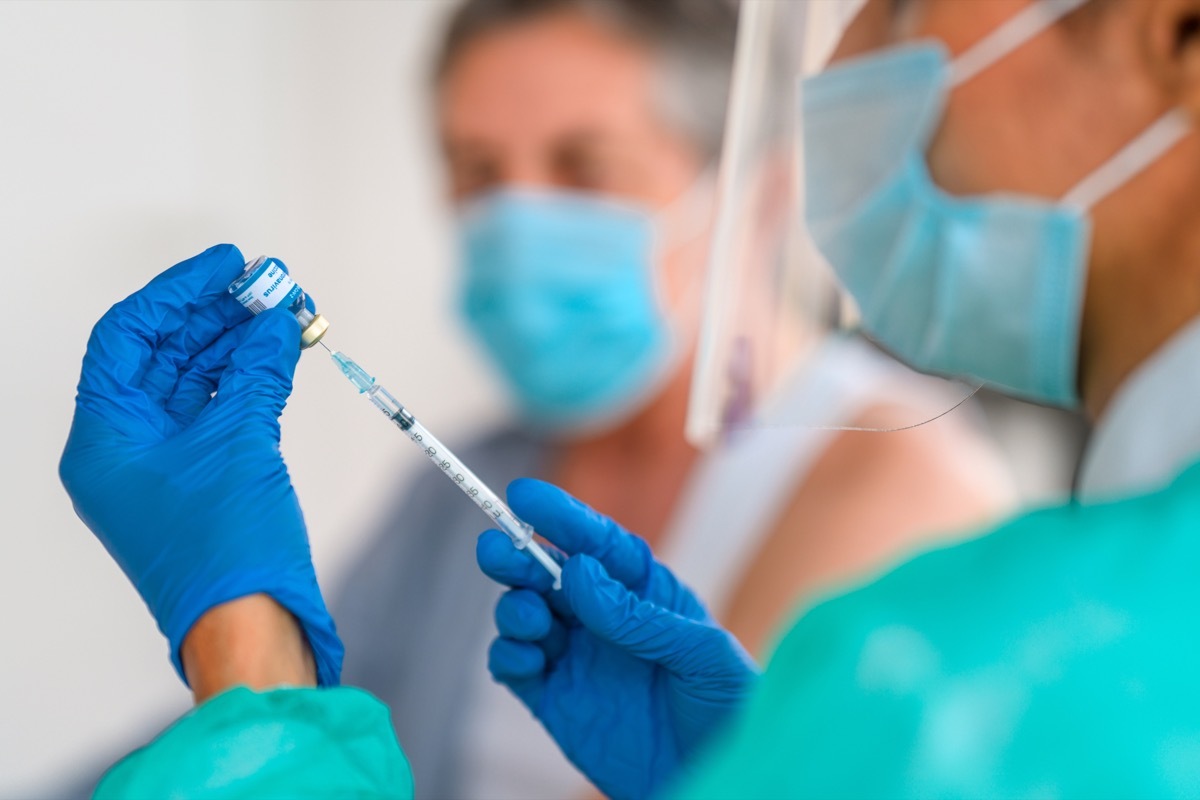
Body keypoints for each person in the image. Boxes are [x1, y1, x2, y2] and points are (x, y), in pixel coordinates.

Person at [56, 0, 1200, 797]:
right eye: (476, 171)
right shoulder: (475, 470)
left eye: (585, 166)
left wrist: (240, 638)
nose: (854, 55)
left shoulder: (948, 615)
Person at [334, 2, 1012, 795]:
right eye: (478, 172)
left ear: (755, 196)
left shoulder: (894, 480)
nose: (517, 224)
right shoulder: (460, 481)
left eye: (585, 167)